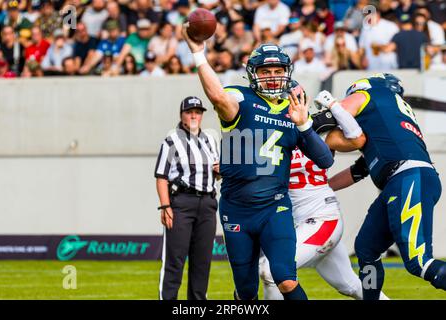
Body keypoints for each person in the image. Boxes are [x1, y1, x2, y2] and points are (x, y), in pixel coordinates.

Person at [182, 24, 334, 299]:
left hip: (274, 207)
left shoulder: (294, 110)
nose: (273, 77)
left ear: (287, 73)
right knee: (247, 290)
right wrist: (198, 54)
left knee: (285, 279)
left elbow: (324, 160)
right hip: (235, 208)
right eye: (266, 72)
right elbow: (217, 96)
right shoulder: (243, 98)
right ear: (254, 74)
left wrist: (303, 126)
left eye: (278, 72)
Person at [314, 73, 446, 299]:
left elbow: (341, 115)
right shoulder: (390, 123)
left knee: (418, 262)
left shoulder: (372, 93)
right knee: (366, 248)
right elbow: (357, 172)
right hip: (404, 179)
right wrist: (320, 188)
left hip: (407, 177)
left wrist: (306, 125)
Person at [259, 109, 388, 300]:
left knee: (271, 271)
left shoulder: (317, 137)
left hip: (321, 218)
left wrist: (333, 106)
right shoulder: (274, 141)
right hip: (300, 222)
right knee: (351, 286)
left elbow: (356, 137)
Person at [155, 96, 219, 300]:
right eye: (189, 112)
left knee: (202, 262)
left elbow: (215, 172)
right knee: (175, 260)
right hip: (182, 202)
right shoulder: (171, 141)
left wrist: (220, 170)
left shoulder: (209, 140)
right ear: (181, 115)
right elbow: (161, 177)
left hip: (208, 204)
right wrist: (165, 206)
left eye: (198, 112)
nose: (194, 115)